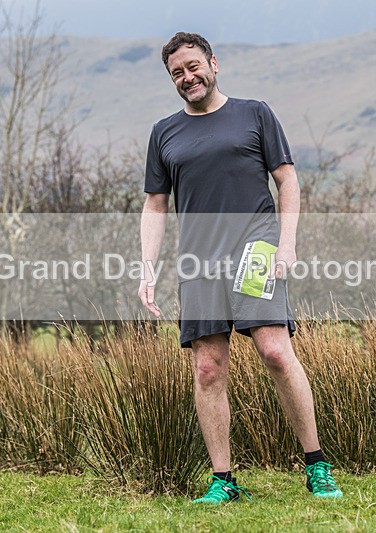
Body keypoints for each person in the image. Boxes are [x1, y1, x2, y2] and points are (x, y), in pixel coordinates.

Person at [138, 32, 342, 503]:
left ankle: (317, 467)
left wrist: (286, 246)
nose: (187, 77)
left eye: (193, 66)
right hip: (199, 261)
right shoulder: (164, 133)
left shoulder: (255, 114)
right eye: (177, 73)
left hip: (257, 250)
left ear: (214, 62)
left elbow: (287, 180)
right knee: (208, 367)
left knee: (274, 351)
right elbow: (154, 205)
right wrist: (146, 269)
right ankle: (223, 481)